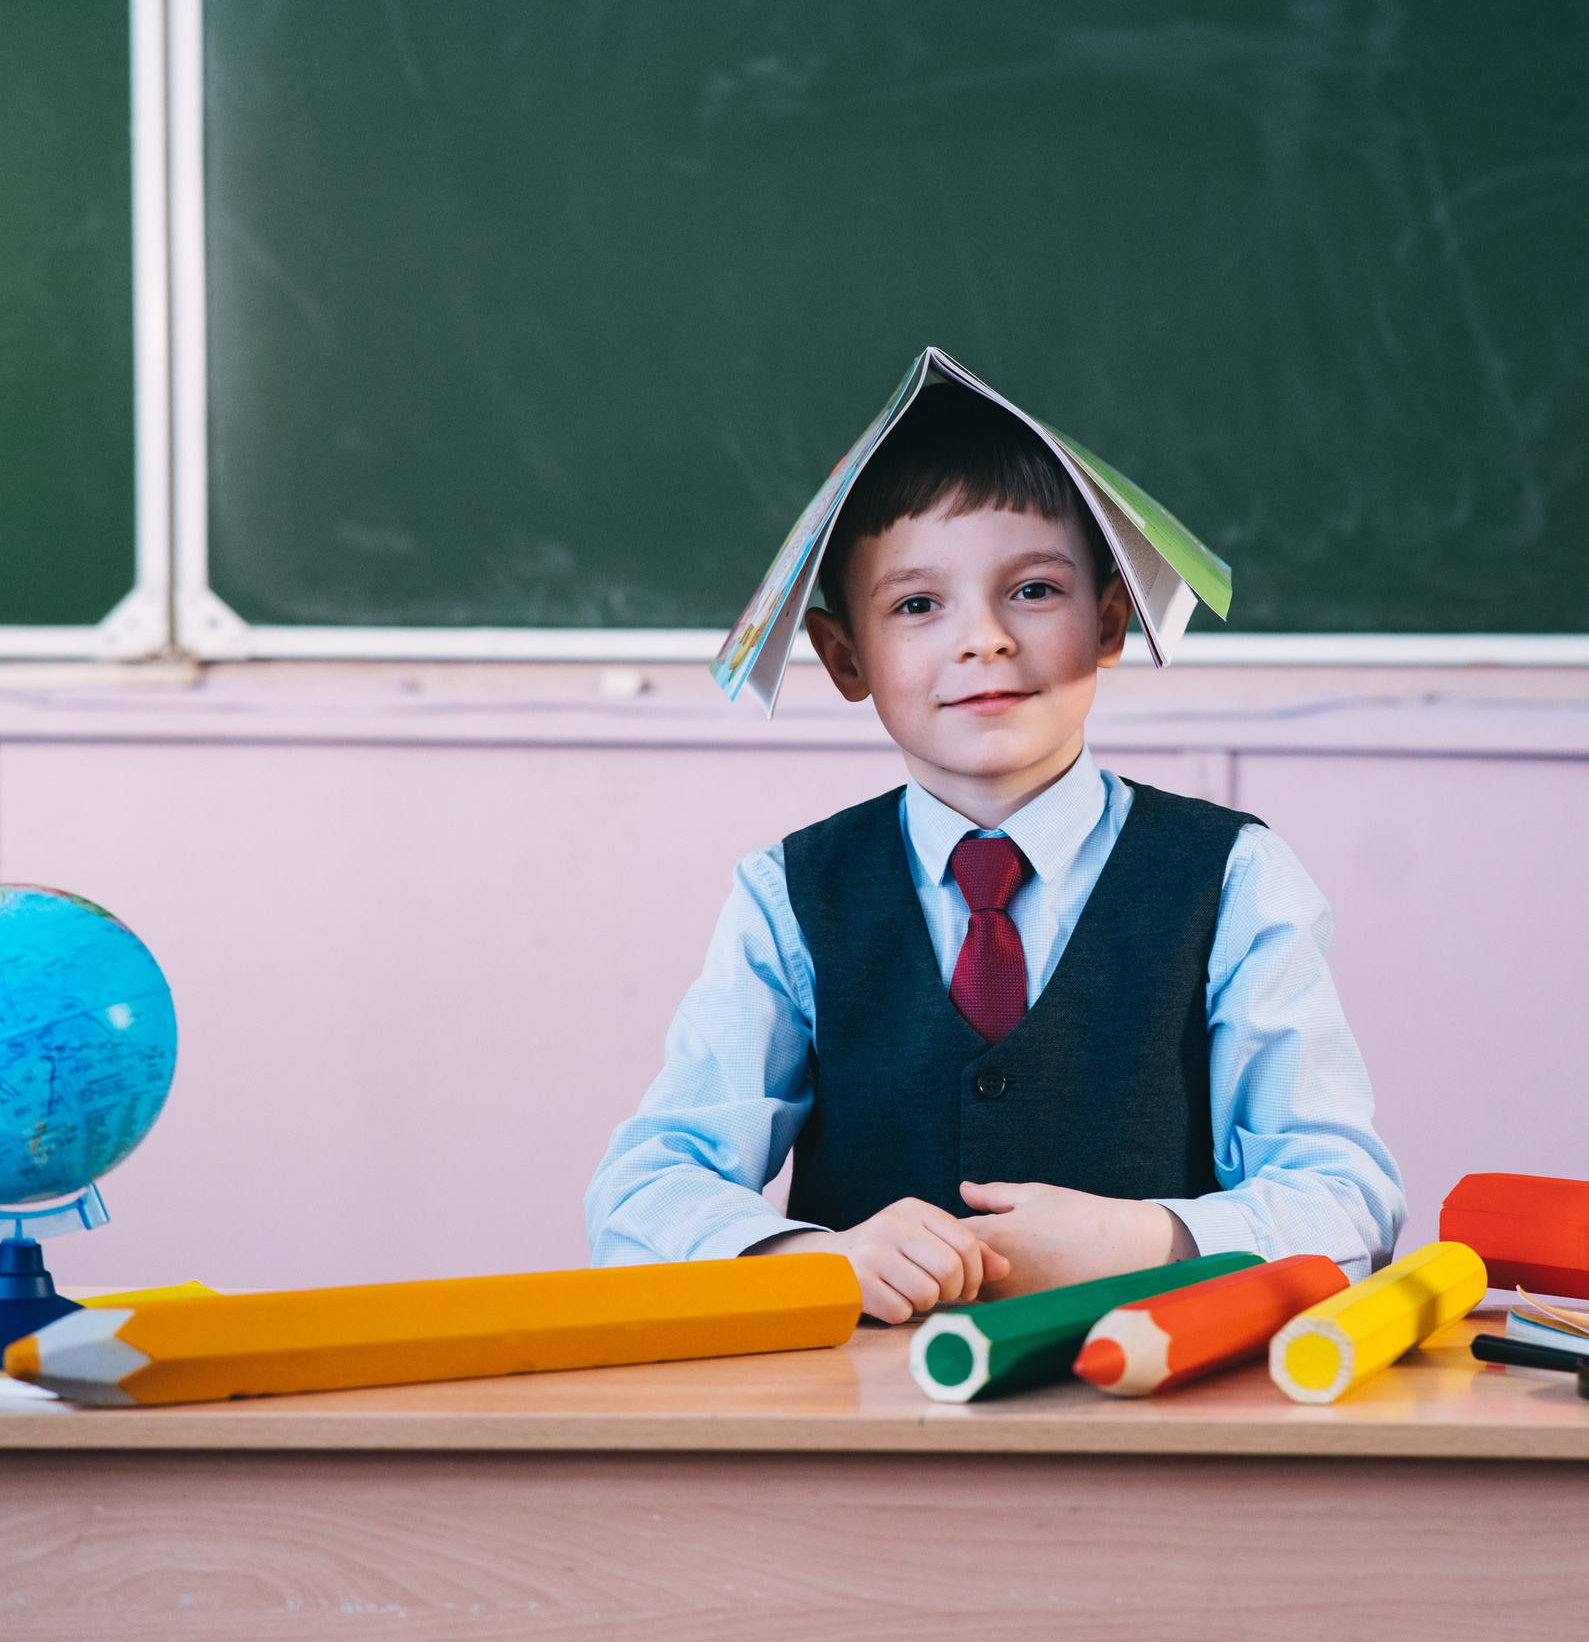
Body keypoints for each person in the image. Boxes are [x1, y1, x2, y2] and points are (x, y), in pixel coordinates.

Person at [585, 381, 1404, 1323]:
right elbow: (637, 1194)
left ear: (1109, 622)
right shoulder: (789, 898)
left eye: (1034, 590)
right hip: (862, 1435)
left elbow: (1351, 1195)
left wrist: (1153, 1242)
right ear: (845, 657)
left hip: (1153, 1425)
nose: (983, 638)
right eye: (919, 603)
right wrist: (815, 1257)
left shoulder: (1235, 880)